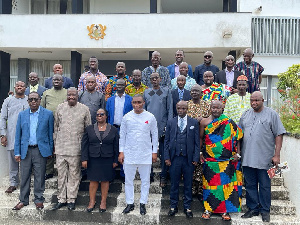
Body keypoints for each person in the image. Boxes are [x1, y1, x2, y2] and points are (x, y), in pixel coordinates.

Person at [239, 91, 286, 222]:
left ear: (262, 100)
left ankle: (265, 210)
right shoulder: (246, 114)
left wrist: (277, 155)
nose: (254, 103)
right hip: (247, 157)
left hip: (265, 158)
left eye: (257, 100)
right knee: (250, 185)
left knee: (265, 185)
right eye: (252, 100)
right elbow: (238, 135)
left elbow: (279, 134)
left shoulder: (272, 114)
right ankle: (253, 208)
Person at [200, 100, 243, 221]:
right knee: (210, 186)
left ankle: (224, 211)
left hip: (226, 161)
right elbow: (200, 138)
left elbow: (238, 137)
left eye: (218, 108)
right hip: (210, 161)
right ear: (210, 108)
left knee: (226, 187)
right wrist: (199, 153)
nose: (215, 110)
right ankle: (208, 209)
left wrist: (238, 154)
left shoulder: (228, 121)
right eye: (213, 108)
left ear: (222, 109)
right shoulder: (204, 122)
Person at [51, 88, 91, 211]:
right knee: (61, 175)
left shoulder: (84, 109)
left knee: (74, 175)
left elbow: (88, 130)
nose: (71, 97)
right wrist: (55, 145)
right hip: (61, 148)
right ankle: (61, 199)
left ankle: (71, 200)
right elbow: (56, 127)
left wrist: (85, 150)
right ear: (67, 95)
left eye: (74, 95)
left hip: (76, 149)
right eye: (69, 95)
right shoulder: (60, 108)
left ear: (77, 96)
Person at [12, 92, 54, 210]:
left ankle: (39, 199)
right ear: (28, 101)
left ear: (40, 100)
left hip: (40, 150)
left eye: (36, 99)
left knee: (40, 176)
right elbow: (18, 135)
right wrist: (17, 152)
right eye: (31, 100)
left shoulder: (48, 114)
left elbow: (51, 134)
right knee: (24, 176)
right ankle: (23, 200)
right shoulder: (22, 115)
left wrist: (50, 150)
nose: (33, 102)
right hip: (26, 150)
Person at [118, 94, 158, 216]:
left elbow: (155, 135)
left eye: (139, 102)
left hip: (145, 154)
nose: (137, 105)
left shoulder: (150, 117)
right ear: (132, 104)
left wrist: (154, 152)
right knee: (128, 180)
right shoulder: (126, 117)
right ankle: (130, 203)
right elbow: (122, 136)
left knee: (145, 181)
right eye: (135, 102)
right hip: (129, 153)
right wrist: (121, 152)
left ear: (143, 103)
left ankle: (142, 203)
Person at [164, 101, 200, 218]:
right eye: (179, 108)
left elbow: (196, 143)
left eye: (184, 108)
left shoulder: (193, 122)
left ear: (187, 109)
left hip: (188, 159)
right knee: (174, 184)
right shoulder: (171, 122)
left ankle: (187, 207)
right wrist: (167, 157)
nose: (181, 111)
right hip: (175, 158)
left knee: (188, 184)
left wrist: (195, 157)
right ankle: (173, 206)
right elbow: (167, 141)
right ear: (176, 108)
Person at [81, 108, 119, 213]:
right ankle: (92, 202)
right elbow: (84, 145)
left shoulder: (113, 129)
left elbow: (116, 146)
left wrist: (116, 160)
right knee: (93, 180)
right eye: (97, 115)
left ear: (106, 116)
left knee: (105, 180)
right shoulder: (89, 129)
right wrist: (84, 159)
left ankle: (103, 202)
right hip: (93, 158)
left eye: (102, 114)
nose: (99, 116)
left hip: (108, 158)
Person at [144, 73, 173, 187]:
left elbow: (170, 108)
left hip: (163, 127)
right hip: (149, 128)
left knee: (163, 152)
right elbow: (144, 110)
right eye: (152, 78)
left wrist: (169, 125)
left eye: (156, 78)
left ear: (160, 79)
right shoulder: (147, 92)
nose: (154, 80)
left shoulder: (166, 91)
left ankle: (163, 176)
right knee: (148, 152)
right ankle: (149, 175)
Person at [0, 81, 29, 194]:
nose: (19, 87)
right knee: (12, 160)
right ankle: (13, 183)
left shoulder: (29, 100)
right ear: (14, 87)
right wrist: (3, 134)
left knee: (26, 159)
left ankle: (25, 184)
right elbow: (2, 118)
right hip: (12, 134)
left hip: (26, 135)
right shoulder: (8, 100)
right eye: (18, 86)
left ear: (25, 88)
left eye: (22, 86)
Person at [41, 74, 67, 180]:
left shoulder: (66, 92)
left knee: (63, 146)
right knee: (49, 146)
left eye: (59, 79)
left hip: (64, 124)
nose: (56, 81)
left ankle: (64, 170)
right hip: (49, 124)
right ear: (52, 81)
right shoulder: (46, 93)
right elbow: (42, 109)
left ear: (62, 81)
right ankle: (49, 170)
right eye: (54, 79)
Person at [186, 84, 211, 197]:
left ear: (202, 93)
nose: (195, 93)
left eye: (197, 91)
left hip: (204, 139)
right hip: (189, 139)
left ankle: (201, 190)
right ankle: (191, 189)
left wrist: (203, 119)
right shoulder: (186, 105)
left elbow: (211, 119)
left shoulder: (207, 105)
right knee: (191, 163)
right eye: (193, 91)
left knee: (202, 164)